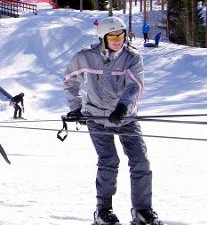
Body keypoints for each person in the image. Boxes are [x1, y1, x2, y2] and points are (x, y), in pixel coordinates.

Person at [63, 16, 162, 225]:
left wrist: (123, 106)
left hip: (125, 117)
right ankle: (103, 212)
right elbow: (70, 80)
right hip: (97, 118)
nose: (118, 40)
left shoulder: (131, 57)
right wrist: (76, 108)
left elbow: (136, 85)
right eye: (113, 36)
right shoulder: (86, 57)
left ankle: (142, 211)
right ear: (103, 37)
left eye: (121, 35)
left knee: (140, 161)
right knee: (109, 161)